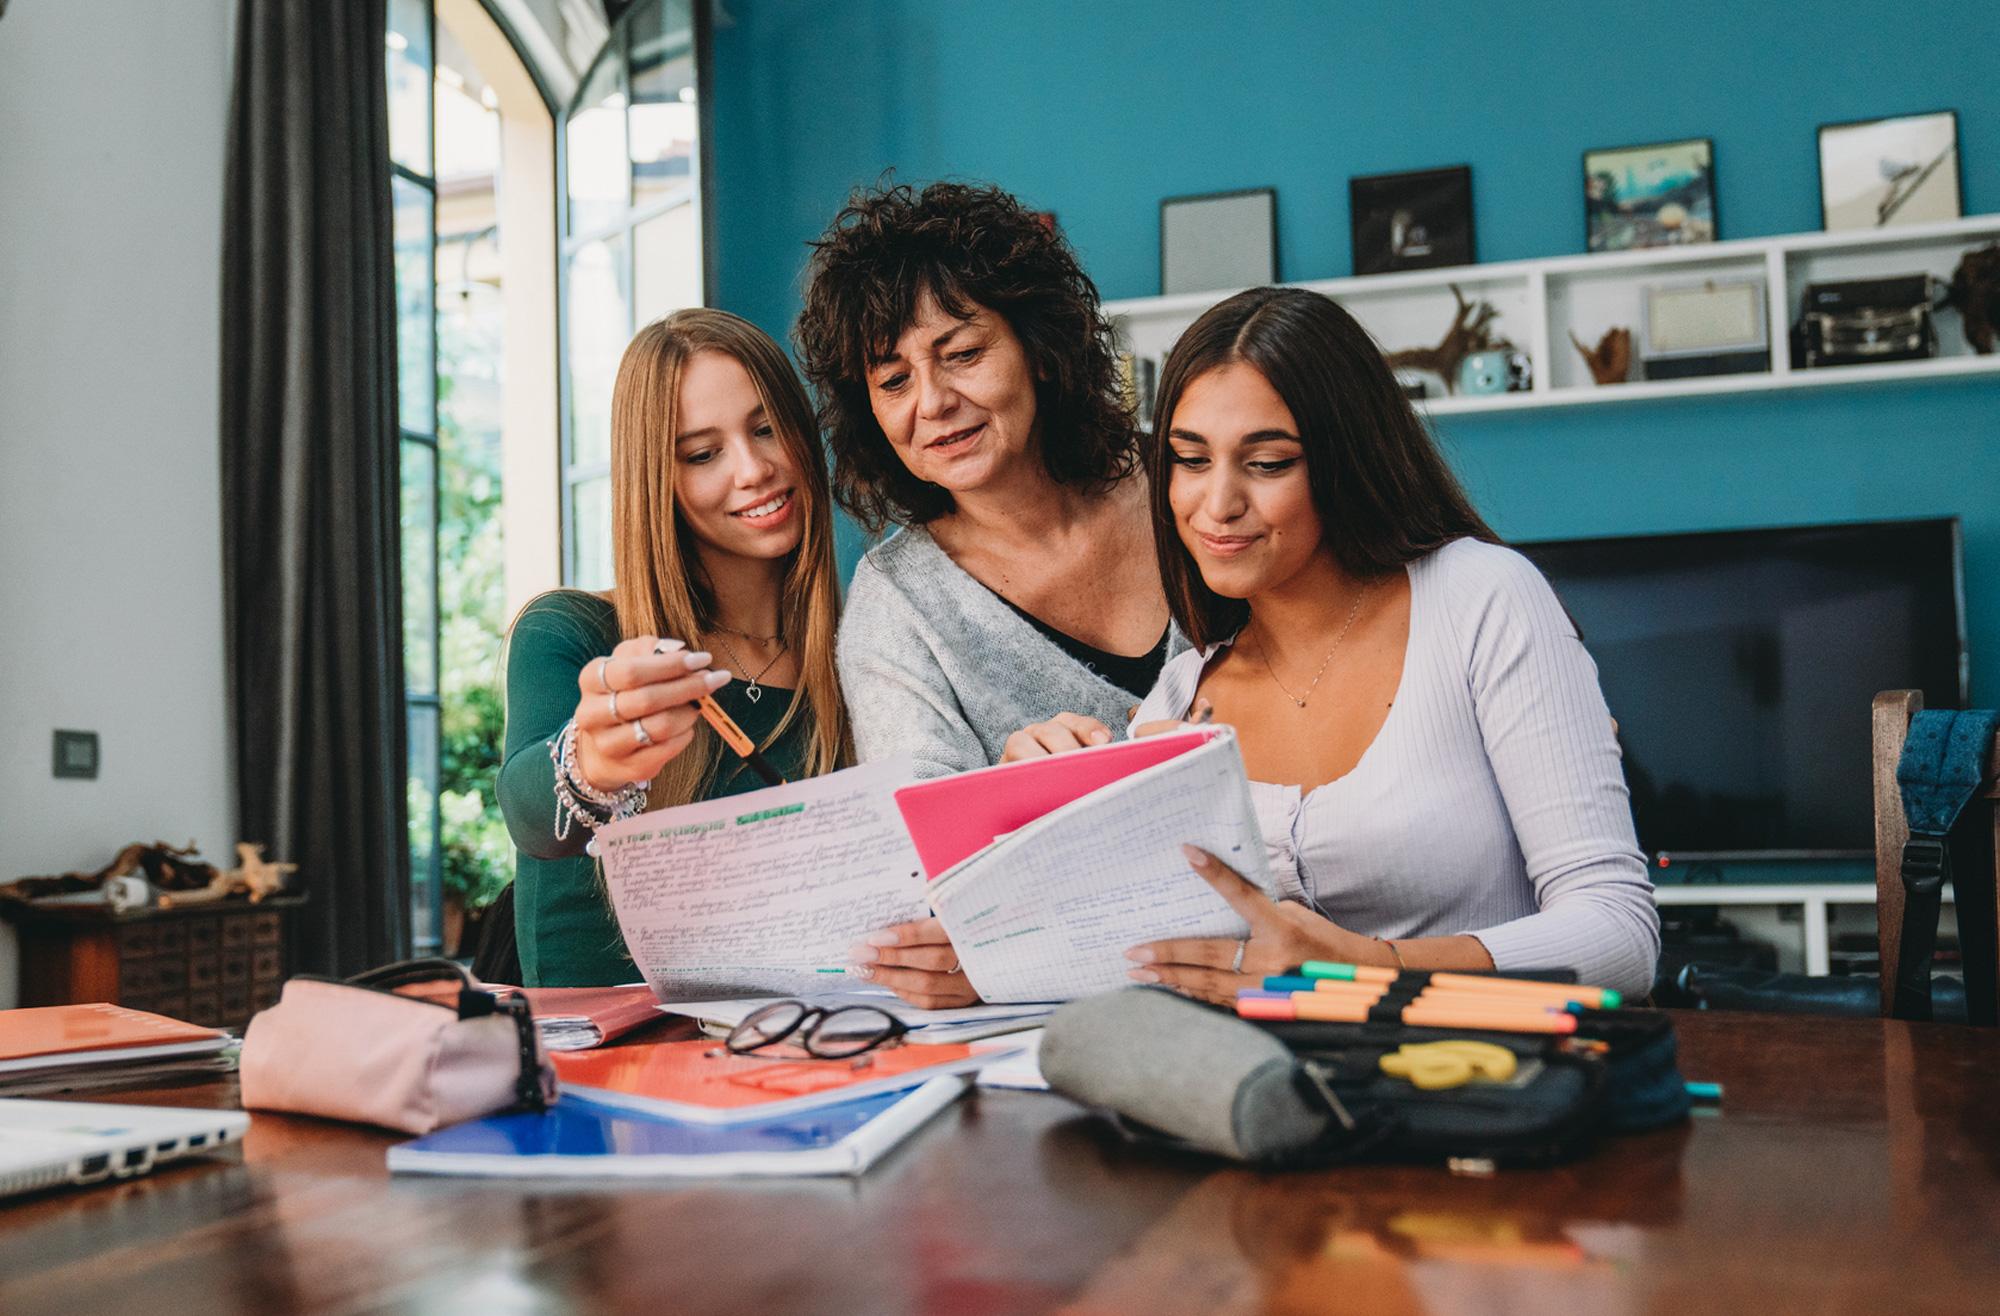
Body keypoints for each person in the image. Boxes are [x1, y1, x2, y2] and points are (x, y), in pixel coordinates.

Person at [1020, 286, 1659, 999]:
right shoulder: (1180, 694)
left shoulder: (1481, 598)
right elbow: (1133, 966)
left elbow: (1619, 938)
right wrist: (1040, 820)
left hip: (1487, 1083)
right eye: (1190, 460)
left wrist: (1368, 968)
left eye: (1266, 463)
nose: (1218, 503)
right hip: (1271, 1098)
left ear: (1346, 460)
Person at [797, 181, 1183, 1006]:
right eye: (892, 379)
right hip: (1083, 1002)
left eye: (962, 353)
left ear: (1041, 348)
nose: (932, 404)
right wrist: (1009, 798)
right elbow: (933, 872)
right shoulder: (896, 602)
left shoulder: (1189, 490)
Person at [497, 309, 848, 987]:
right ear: (656, 479)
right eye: (702, 454)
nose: (755, 470)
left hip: (813, 1044)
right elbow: (530, 813)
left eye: (768, 427)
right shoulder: (568, 631)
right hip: (616, 1065)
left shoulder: (857, 651)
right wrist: (592, 764)